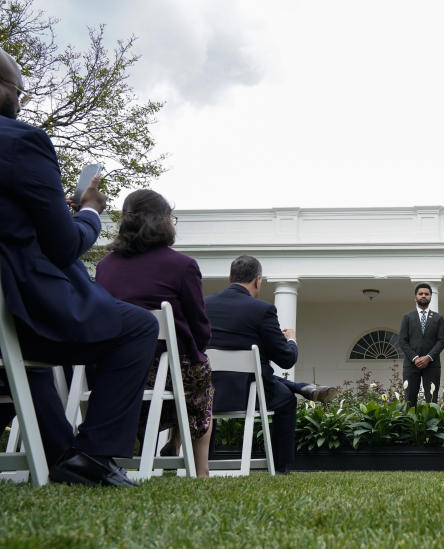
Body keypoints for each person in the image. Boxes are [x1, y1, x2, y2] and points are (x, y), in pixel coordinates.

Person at [0, 49, 157, 487]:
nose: (22, 102)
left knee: (27, 361)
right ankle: (92, 454)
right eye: (18, 90)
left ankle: (63, 456)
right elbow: (64, 246)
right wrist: (88, 212)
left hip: (10, 305)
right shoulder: (21, 141)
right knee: (138, 327)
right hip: (22, 304)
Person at [95, 189, 214, 477]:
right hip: (167, 371)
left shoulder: (104, 266)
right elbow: (200, 329)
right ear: (163, 221)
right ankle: (200, 470)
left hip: (110, 371)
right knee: (202, 379)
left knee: (181, 373)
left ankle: (162, 443)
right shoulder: (183, 265)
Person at [204, 255, 333, 473]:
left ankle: (205, 460)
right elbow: (286, 359)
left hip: (208, 389)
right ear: (257, 281)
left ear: (229, 278)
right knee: (286, 400)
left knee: (254, 379)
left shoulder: (204, 305)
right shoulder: (262, 310)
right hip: (249, 392)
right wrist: (291, 340)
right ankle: (280, 467)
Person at [397, 283, 444, 404]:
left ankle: (431, 423)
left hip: (432, 365)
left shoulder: (438, 318)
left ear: (430, 297)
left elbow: (441, 341)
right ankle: (410, 423)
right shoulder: (407, 317)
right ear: (415, 297)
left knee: (432, 399)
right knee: (409, 399)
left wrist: (428, 358)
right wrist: (415, 358)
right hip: (411, 364)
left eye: (426, 294)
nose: (423, 296)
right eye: (420, 294)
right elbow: (402, 340)